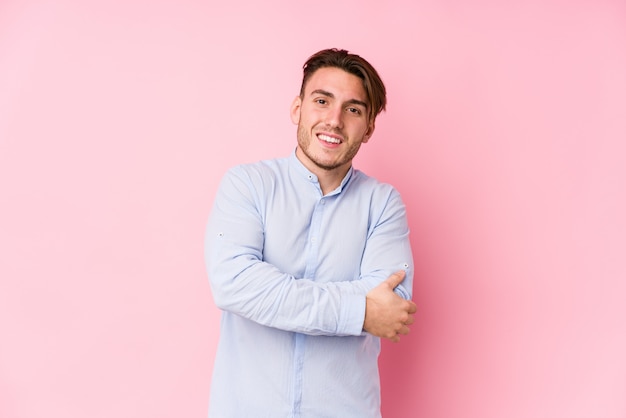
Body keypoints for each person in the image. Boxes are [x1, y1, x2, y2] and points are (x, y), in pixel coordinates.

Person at [204, 48, 417, 418]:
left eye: (353, 109)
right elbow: (234, 283)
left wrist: (272, 291)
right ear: (297, 109)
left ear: (368, 128)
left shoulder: (383, 204)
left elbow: (392, 305)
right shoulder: (247, 185)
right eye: (322, 101)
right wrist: (357, 309)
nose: (334, 120)